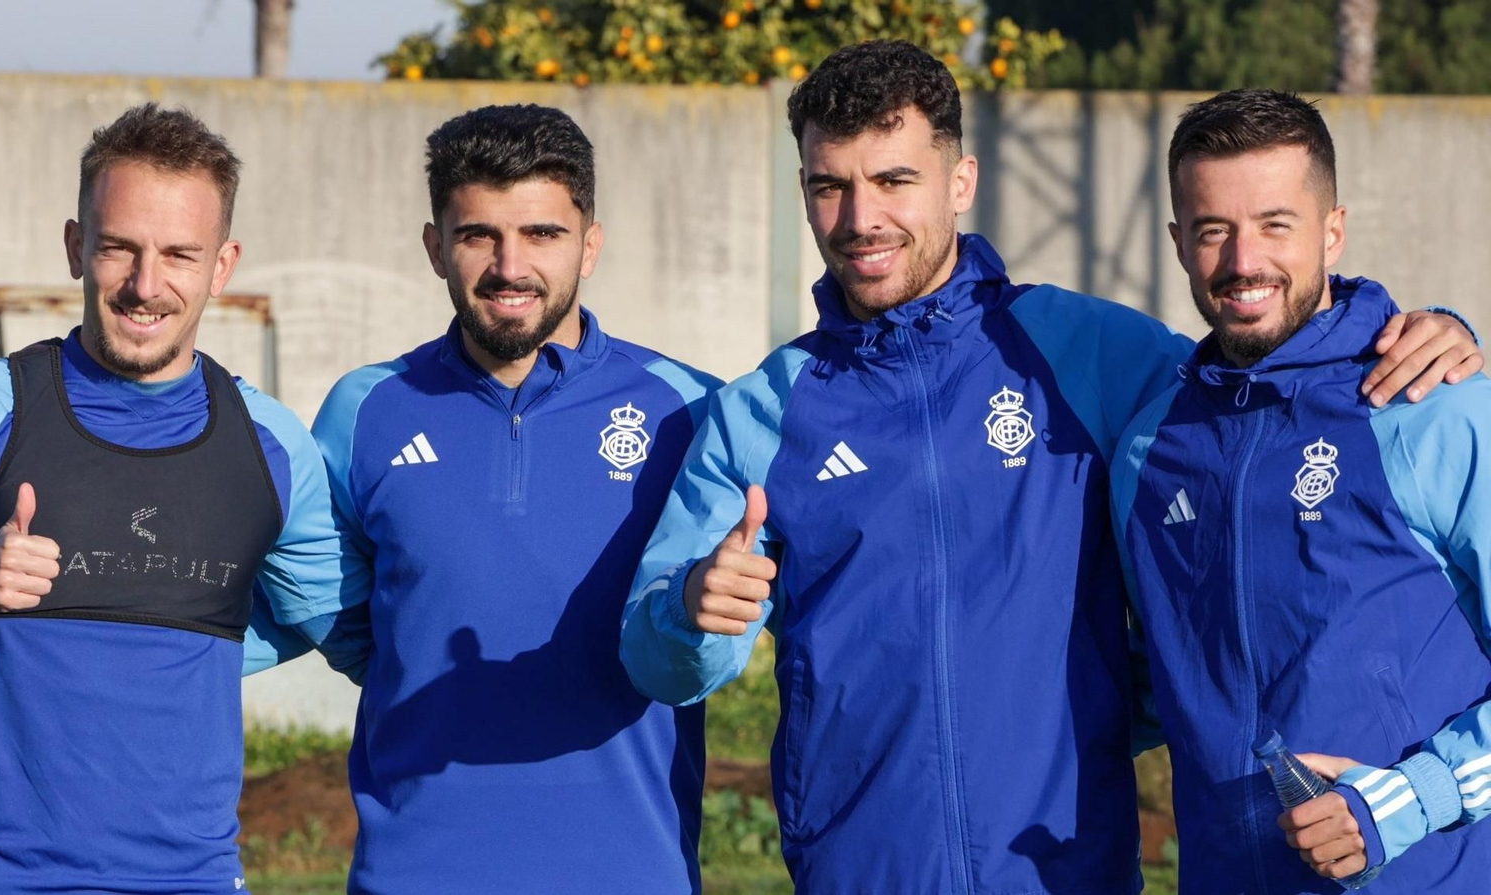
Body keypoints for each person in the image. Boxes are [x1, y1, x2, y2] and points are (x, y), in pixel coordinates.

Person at [619, 41, 1482, 894]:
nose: (860, 217)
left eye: (894, 180)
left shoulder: (1090, 354)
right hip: (859, 871)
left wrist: (1423, 331)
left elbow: (1268, 374)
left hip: (1068, 871)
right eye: (828, 186)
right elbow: (657, 659)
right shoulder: (763, 411)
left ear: (961, 181)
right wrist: (691, 611)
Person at [0, 103, 360, 894]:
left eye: (180, 254)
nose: (146, 285)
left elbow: (355, 634)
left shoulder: (273, 445)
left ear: (222, 266)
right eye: (119, 248)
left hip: (193, 877)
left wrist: (189, 645)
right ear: (76, 246)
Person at [308, 104, 721, 894]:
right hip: (414, 875)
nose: (509, 265)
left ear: (590, 244)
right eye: (478, 235)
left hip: (629, 873)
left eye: (542, 233)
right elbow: (347, 620)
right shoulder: (364, 412)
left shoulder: (690, 411)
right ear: (436, 246)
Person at [1111, 89, 1491, 894]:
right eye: (1213, 230)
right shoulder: (1149, 450)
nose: (1243, 260)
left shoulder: (1436, 408)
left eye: (1275, 224)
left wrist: (1414, 798)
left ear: (1333, 230)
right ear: (1178, 242)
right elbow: (1159, 677)